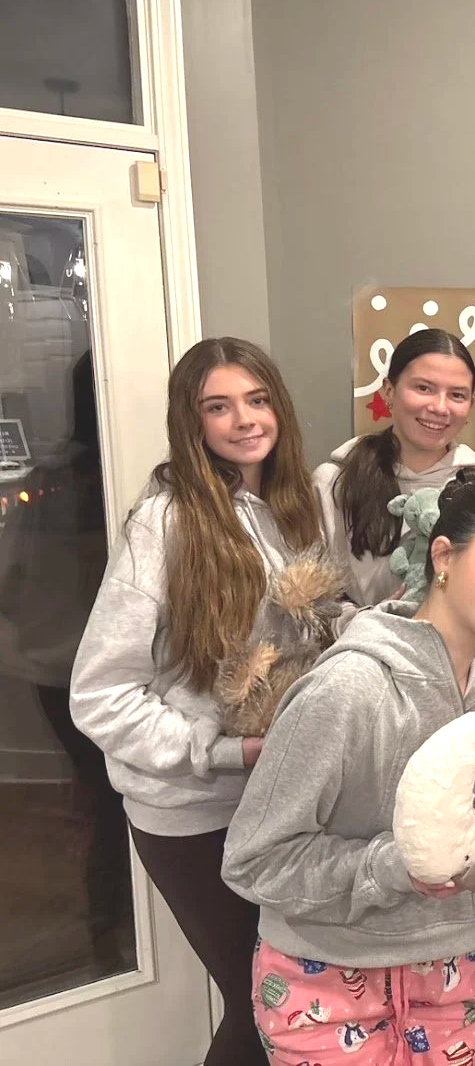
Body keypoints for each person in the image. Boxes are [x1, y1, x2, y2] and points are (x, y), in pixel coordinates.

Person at [222, 473, 475, 1065]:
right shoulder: (346, 690)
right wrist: (394, 865)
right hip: (326, 977)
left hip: (457, 971)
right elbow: (255, 860)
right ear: (444, 556)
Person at [70, 337, 324, 1066]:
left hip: (278, 798)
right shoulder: (167, 521)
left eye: (256, 398)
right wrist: (220, 751)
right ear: (193, 421)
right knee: (266, 1006)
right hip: (191, 810)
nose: (244, 419)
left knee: (292, 1000)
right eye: (219, 406)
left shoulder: (291, 505)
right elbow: (101, 692)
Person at [314, 328, 475, 606]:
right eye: (423, 388)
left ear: (470, 405)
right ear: (389, 390)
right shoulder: (335, 481)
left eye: (457, 395)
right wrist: (366, 622)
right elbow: (314, 594)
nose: (440, 408)